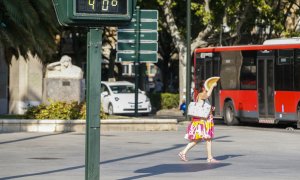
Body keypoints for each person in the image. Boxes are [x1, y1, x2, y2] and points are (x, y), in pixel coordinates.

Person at [178, 79, 219, 163]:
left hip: (206, 120)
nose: (208, 87)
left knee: (204, 139)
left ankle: (184, 152)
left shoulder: (202, 95)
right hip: (203, 121)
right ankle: (209, 157)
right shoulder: (201, 94)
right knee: (204, 139)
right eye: (206, 86)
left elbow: (204, 107)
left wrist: (211, 109)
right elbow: (207, 95)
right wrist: (212, 86)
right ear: (203, 87)